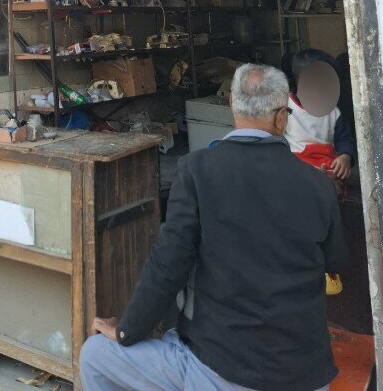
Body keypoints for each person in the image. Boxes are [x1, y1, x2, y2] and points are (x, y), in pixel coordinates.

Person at [79, 63, 348, 391]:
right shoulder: (318, 186)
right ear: (281, 118)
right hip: (306, 374)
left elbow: (168, 265)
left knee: (94, 354)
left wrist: (126, 331)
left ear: (232, 107)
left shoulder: (196, 170)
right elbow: (336, 262)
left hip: (221, 371)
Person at [286, 49, 355, 180]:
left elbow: (345, 139)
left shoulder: (334, 112)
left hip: (329, 172)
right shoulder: (285, 106)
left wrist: (346, 156)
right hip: (296, 172)